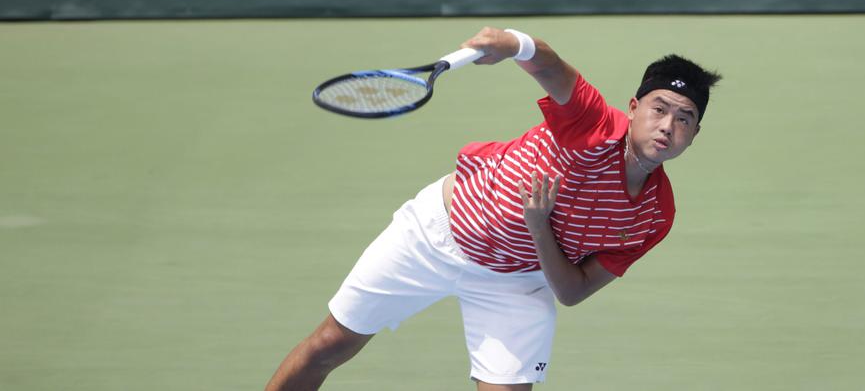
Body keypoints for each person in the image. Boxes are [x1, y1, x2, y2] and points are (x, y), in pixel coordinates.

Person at [266, 27, 720, 390]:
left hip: (516, 280)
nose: (667, 127)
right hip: (435, 233)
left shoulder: (654, 215)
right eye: (659, 110)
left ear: (695, 135)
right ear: (634, 107)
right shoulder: (594, 125)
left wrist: (539, 225)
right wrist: (512, 43)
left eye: (684, 119)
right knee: (330, 344)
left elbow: (574, 290)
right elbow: (550, 65)